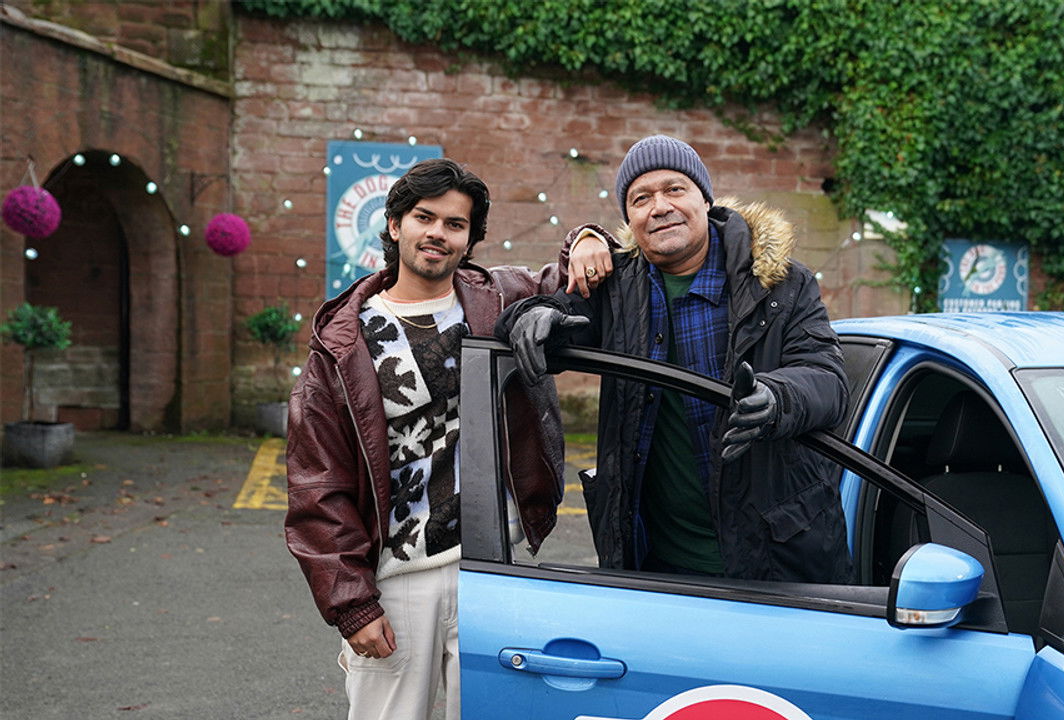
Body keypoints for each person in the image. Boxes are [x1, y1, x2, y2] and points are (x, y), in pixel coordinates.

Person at [284, 158, 610, 720]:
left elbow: (572, 279)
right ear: (394, 225)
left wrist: (587, 238)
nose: (438, 232)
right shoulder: (343, 343)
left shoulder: (497, 299)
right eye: (424, 217)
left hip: (491, 567)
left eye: (455, 224)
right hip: (396, 580)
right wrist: (352, 604)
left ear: (469, 239)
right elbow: (317, 484)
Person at [496, 135, 853, 584]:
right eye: (641, 198)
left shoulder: (780, 283)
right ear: (630, 220)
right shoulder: (617, 287)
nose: (659, 207)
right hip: (654, 564)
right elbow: (552, 314)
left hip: (777, 559)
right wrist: (533, 316)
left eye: (674, 189)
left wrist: (778, 398)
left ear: (705, 199)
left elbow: (827, 379)